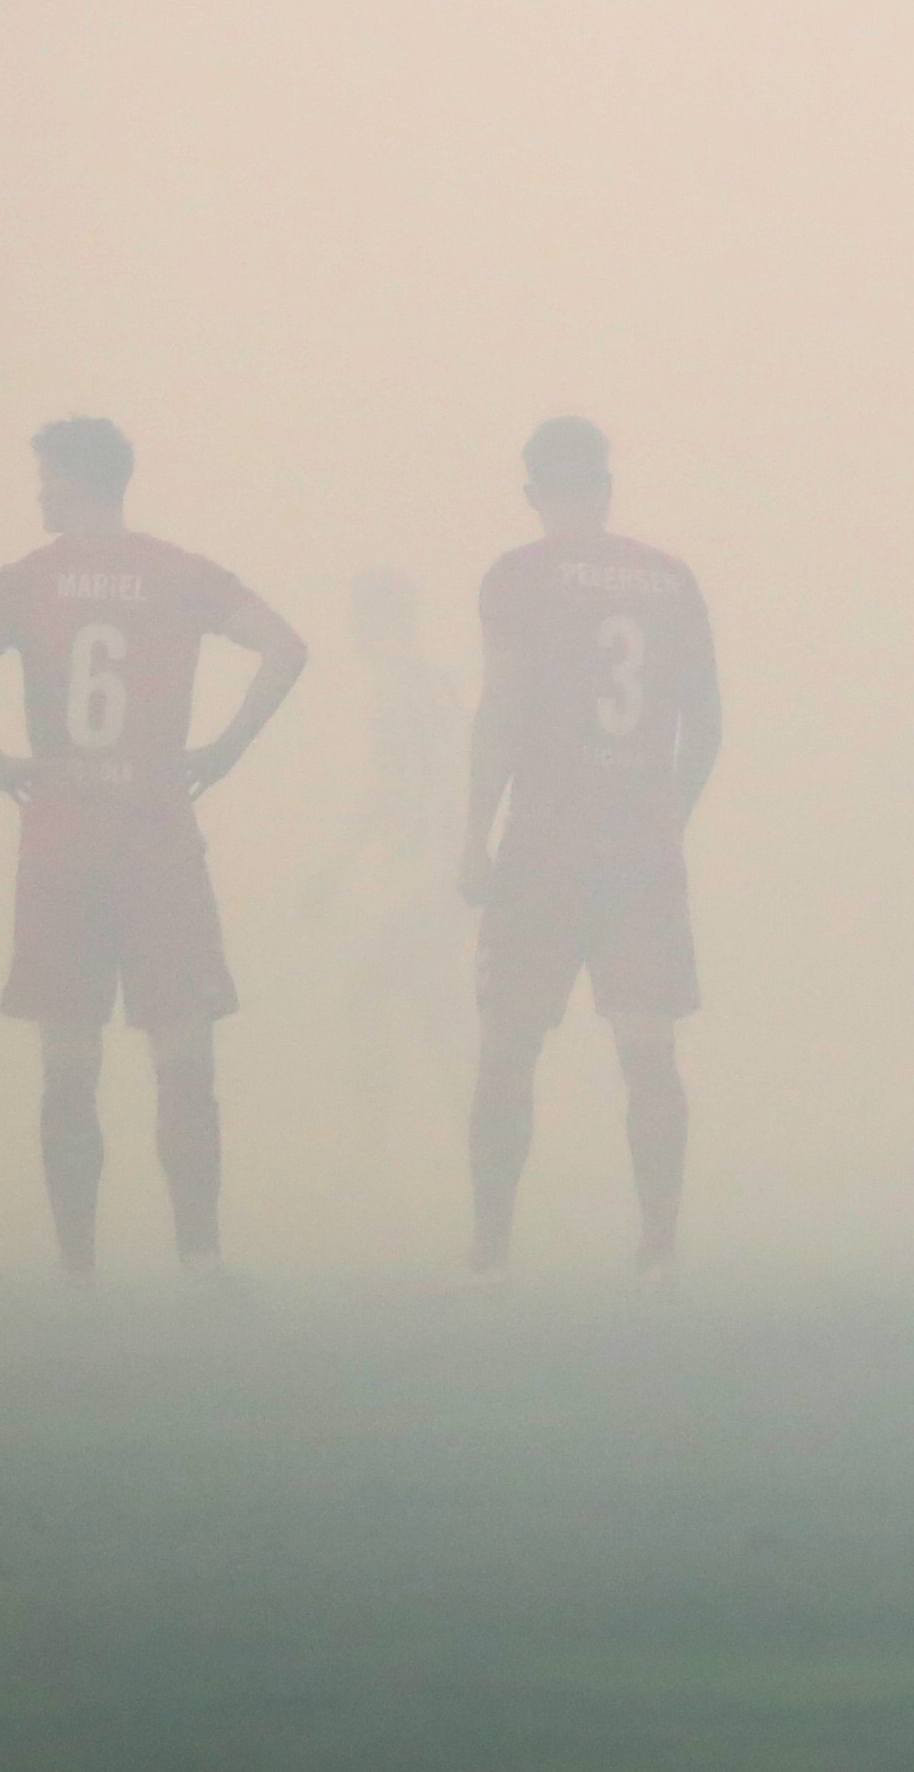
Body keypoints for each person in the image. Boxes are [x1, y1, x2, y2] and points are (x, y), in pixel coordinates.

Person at [0, 418, 308, 1292]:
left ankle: (77, 1268)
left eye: (46, 477)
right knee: (183, 1048)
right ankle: (199, 1258)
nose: (38, 493)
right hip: (156, 832)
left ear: (78, 479)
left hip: (61, 838)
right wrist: (229, 746)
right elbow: (286, 645)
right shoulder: (179, 571)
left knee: (68, 1055)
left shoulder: (27, 581)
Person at [461, 417, 724, 1282]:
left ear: (535, 490)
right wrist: (666, 814)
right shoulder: (670, 578)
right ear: (606, 485)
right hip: (639, 843)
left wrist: (474, 833)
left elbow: (500, 710)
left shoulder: (519, 577)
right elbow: (707, 723)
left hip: (546, 838)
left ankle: (492, 1253)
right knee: (647, 1048)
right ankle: (659, 1251)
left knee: (510, 1043)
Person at [301, 566, 470, 1184]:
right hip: (444, 873)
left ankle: (377, 1164)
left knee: (376, 994)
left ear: (376, 620)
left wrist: (334, 870)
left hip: (426, 875)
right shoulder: (439, 686)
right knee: (439, 1013)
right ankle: (474, 1149)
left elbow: (392, 793)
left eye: (359, 613)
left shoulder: (398, 690)